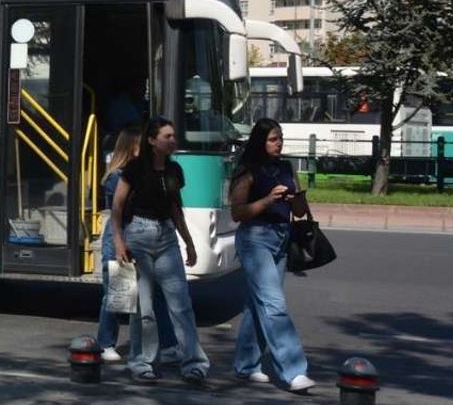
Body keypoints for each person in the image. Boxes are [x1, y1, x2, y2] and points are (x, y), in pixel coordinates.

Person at [110, 117, 210, 384]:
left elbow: (176, 207)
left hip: (166, 236)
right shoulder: (135, 169)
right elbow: (117, 206)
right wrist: (119, 241)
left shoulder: (174, 170)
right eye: (167, 136)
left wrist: (188, 241)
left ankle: (194, 362)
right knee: (144, 306)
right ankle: (142, 362)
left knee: (181, 303)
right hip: (139, 235)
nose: (173, 141)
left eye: (174, 136)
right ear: (152, 140)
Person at [228, 118, 316, 392]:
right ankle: (294, 370)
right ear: (260, 141)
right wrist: (267, 200)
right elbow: (237, 213)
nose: (279, 143)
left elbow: (300, 212)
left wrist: (295, 198)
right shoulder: (248, 171)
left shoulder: (287, 167)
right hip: (255, 238)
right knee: (274, 303)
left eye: (280, 138)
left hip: (281, 237)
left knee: (259, 304)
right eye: (273, 139)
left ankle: (245, 364)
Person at [97, 125, 179, 364]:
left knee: (156, 293)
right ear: (130, 148)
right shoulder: (117, 177)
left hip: (141, 237)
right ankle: (105, 343)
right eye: (141, 145)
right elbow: (121, 209)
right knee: (119, 293)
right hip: (120, 237)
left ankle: (168, 344)